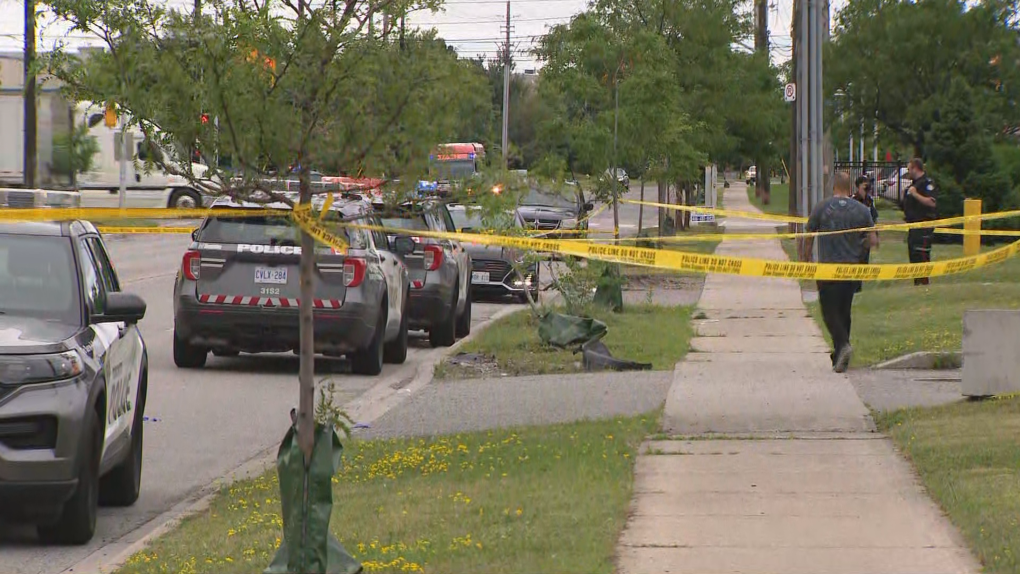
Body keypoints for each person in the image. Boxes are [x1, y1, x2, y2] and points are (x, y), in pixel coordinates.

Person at [803, 172, 879, 373]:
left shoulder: (822, 207)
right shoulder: (862, 210)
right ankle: (839, 356)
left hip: (828, 270)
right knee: (844, 312)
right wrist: (860, 250)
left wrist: (805, 260)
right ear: (849, 188)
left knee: (829, 312)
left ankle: (843, 346)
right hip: (851, 270)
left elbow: (809, 235)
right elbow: (873, 240)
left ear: (833, 186)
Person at [903, 158, 937, 286]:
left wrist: (915, 194)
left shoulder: (927, 183)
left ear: (915, 168)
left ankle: (924, 282)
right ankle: (917, 283)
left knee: (922, 254)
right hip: (913, 226)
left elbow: (931, 202)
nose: (908, 172)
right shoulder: (914, 184)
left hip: (924, 226)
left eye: (909, 169)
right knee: (913, 255)